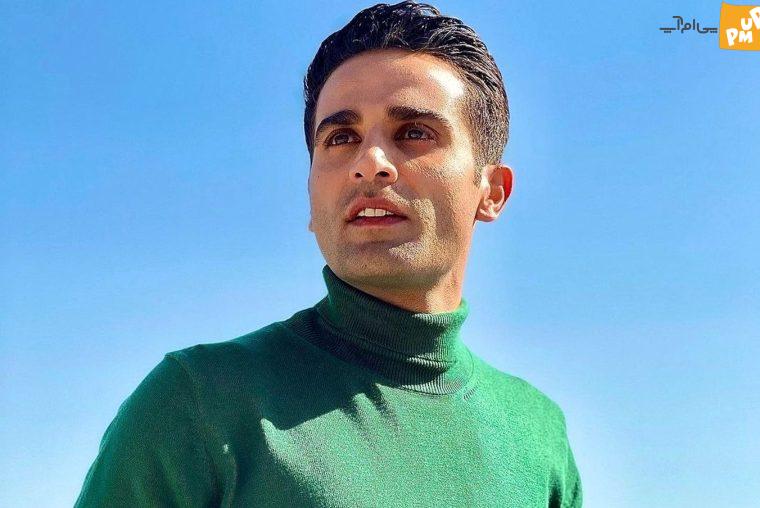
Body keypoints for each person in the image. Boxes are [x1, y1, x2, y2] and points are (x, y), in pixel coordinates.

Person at [75, 1, 582, 506]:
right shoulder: (198, 402)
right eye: (341, 138)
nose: (370, 163)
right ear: (312, 198)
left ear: (492, 191)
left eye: (414, 132)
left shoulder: (538, 435)